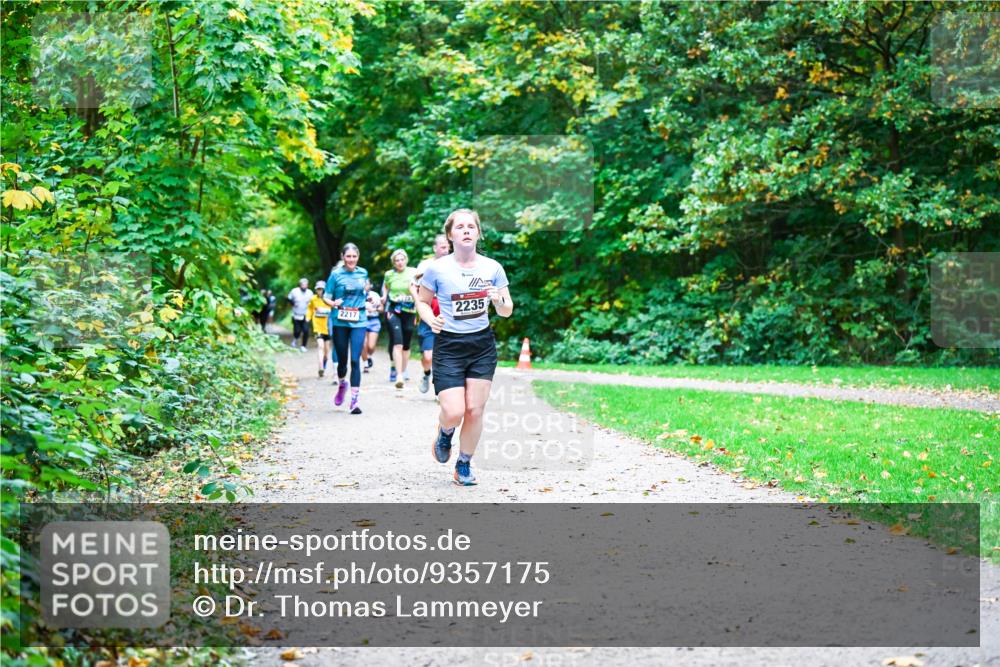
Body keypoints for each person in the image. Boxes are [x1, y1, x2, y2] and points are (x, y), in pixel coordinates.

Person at [417, 209, 513, 486]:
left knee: (475, 410)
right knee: (454, 411)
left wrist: (498, 301)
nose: (466, 230)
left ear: (478, 233)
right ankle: (445, 432)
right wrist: (431, 319)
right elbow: (422, 302)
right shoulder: (437, 269)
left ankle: (464, 464)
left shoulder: (492, 268)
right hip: (449, 345)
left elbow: (507, 310)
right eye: (460, 227)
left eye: (471, 226)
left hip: (481, 345)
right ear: (450, 235)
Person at [324, 244, 369, 414]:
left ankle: (354, 402)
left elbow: (364, 293)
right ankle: (342, 383)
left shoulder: (363, 273)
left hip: (359, 320)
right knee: (342, 361)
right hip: (340, 321)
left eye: (354, 256)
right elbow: (326, 296)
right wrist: (333, 303)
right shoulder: (335, 275)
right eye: (348, 256)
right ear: (343, 257)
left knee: (355, 360)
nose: (351, 259)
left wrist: (369, 299)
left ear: (358, 257)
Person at [410, 234, 450, 393]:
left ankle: (441, 389)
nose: (446, 250)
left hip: (448, 318)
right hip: (428, 318)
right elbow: (413, 287)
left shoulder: (455, 264)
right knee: (428, 357)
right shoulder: (425, 266)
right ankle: (426, 374)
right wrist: (419, 304)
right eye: (443, 247)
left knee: (445, 357)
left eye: (448, 247)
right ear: (435, 248)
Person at [381, 249, 418, 389]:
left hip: (409, 311)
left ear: (406, 260)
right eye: (397, 260)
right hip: (393, 310)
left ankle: (403, 369)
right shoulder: (389, 274)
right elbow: (386, 286)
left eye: (402, 259)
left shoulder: (414, 272)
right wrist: (384, 296)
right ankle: (399, 375)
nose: (400, 262)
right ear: (393, 263)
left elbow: (421, 286)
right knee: (398, 343)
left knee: (406, 344)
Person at [306, 280, 333, 377]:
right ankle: (320, 367)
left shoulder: (329, 299)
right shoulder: (313, 299)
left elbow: (334, 309)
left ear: (324, 290)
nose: (319, 291)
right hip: (317, 327)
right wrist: (308, 317)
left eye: (321, 289)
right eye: (318, 289)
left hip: (327, 327)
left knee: (326, 352)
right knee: (320, 346)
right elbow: (309, 309)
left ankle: (324, 364)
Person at [361, 280, 383, 373]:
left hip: (374, 321)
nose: (365, 285)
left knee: (371, 346)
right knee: (363, 343)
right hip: (362, 320)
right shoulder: (358, 295)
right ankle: (365, 364)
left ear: (370, 285)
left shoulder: (375, 295)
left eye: (367, 284)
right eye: (364, 284)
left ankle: (368, 356)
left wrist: (375, 309)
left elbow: (381, 308)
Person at [287, 278, 313, 350]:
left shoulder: (310, 292)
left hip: (306, 314)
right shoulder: (294, 291)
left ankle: (303, 346)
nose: (304, 286)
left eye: (305, 285)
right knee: (297, 330)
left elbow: (313, 302)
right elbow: (288, 298)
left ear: (307, 285)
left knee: (306, 330)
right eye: (303, 285)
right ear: (300, 285)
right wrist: (293, 303)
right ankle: (295, 338)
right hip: (296, 314)